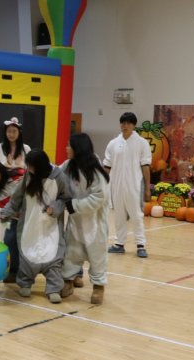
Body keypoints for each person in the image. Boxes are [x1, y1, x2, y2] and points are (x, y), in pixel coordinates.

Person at [0, 149, 68, 304]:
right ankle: (25, 282)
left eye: (31, 166)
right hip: (30, 223)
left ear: (40, 166)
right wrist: (7, 212)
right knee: (27, 253)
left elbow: (65, 198)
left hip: (51, 226)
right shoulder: (28, 176)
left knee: (53, 255)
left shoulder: (59, 177)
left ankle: (54, 288)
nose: (28, 169)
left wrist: (54, 208)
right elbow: (16, 198)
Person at [60, 133, 110, 304]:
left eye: (69, 146)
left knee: (97, 256)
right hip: (76, 222)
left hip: (94, 222)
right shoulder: (68, 166)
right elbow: (55, 174)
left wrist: (75, 205)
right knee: (71, 252)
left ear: (78, 148)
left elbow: (99, 197)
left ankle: (98, 286)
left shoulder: (94, 171)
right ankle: (68, 281)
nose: (66, 148)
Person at [103, 112, 152, 258]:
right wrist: (102, 184)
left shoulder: (142, 143)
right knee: (119, 215)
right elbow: (107, 166)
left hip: (134, 185)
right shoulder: (113, 143)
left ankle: (140, 245)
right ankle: (119, 244)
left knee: (136, 215)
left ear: (134, 125)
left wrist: (147, 188)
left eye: (128, 123)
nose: (125, 126)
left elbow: (145, 166)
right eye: (123, 123)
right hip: (116, 185)